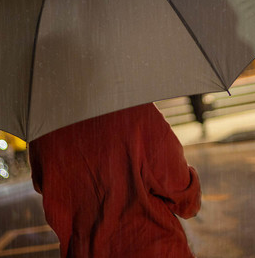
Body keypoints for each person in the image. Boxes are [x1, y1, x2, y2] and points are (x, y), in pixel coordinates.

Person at [28, 103, 201, 257]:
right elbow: (184, 196)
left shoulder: (42, 135)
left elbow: (45, 187)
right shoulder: (134, 111)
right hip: (155, 248)